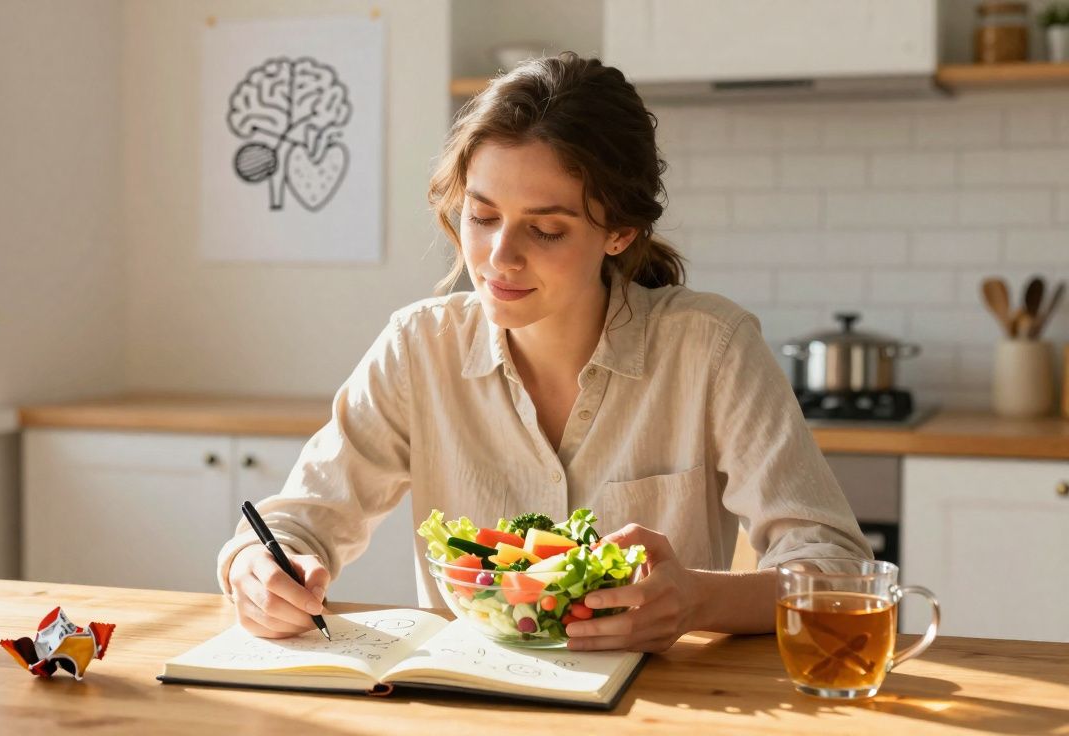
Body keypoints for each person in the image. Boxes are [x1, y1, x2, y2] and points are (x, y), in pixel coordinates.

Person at [217, 52, 870, 653]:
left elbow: (839, 572)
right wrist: (263, 571)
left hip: (659, 711)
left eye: (546, 228)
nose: (500, 257)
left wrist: (698, 599)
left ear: (620, 231)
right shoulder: (419, 349)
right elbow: (298, 522)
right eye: (482, 215)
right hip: (467, 710)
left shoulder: (712, 349)